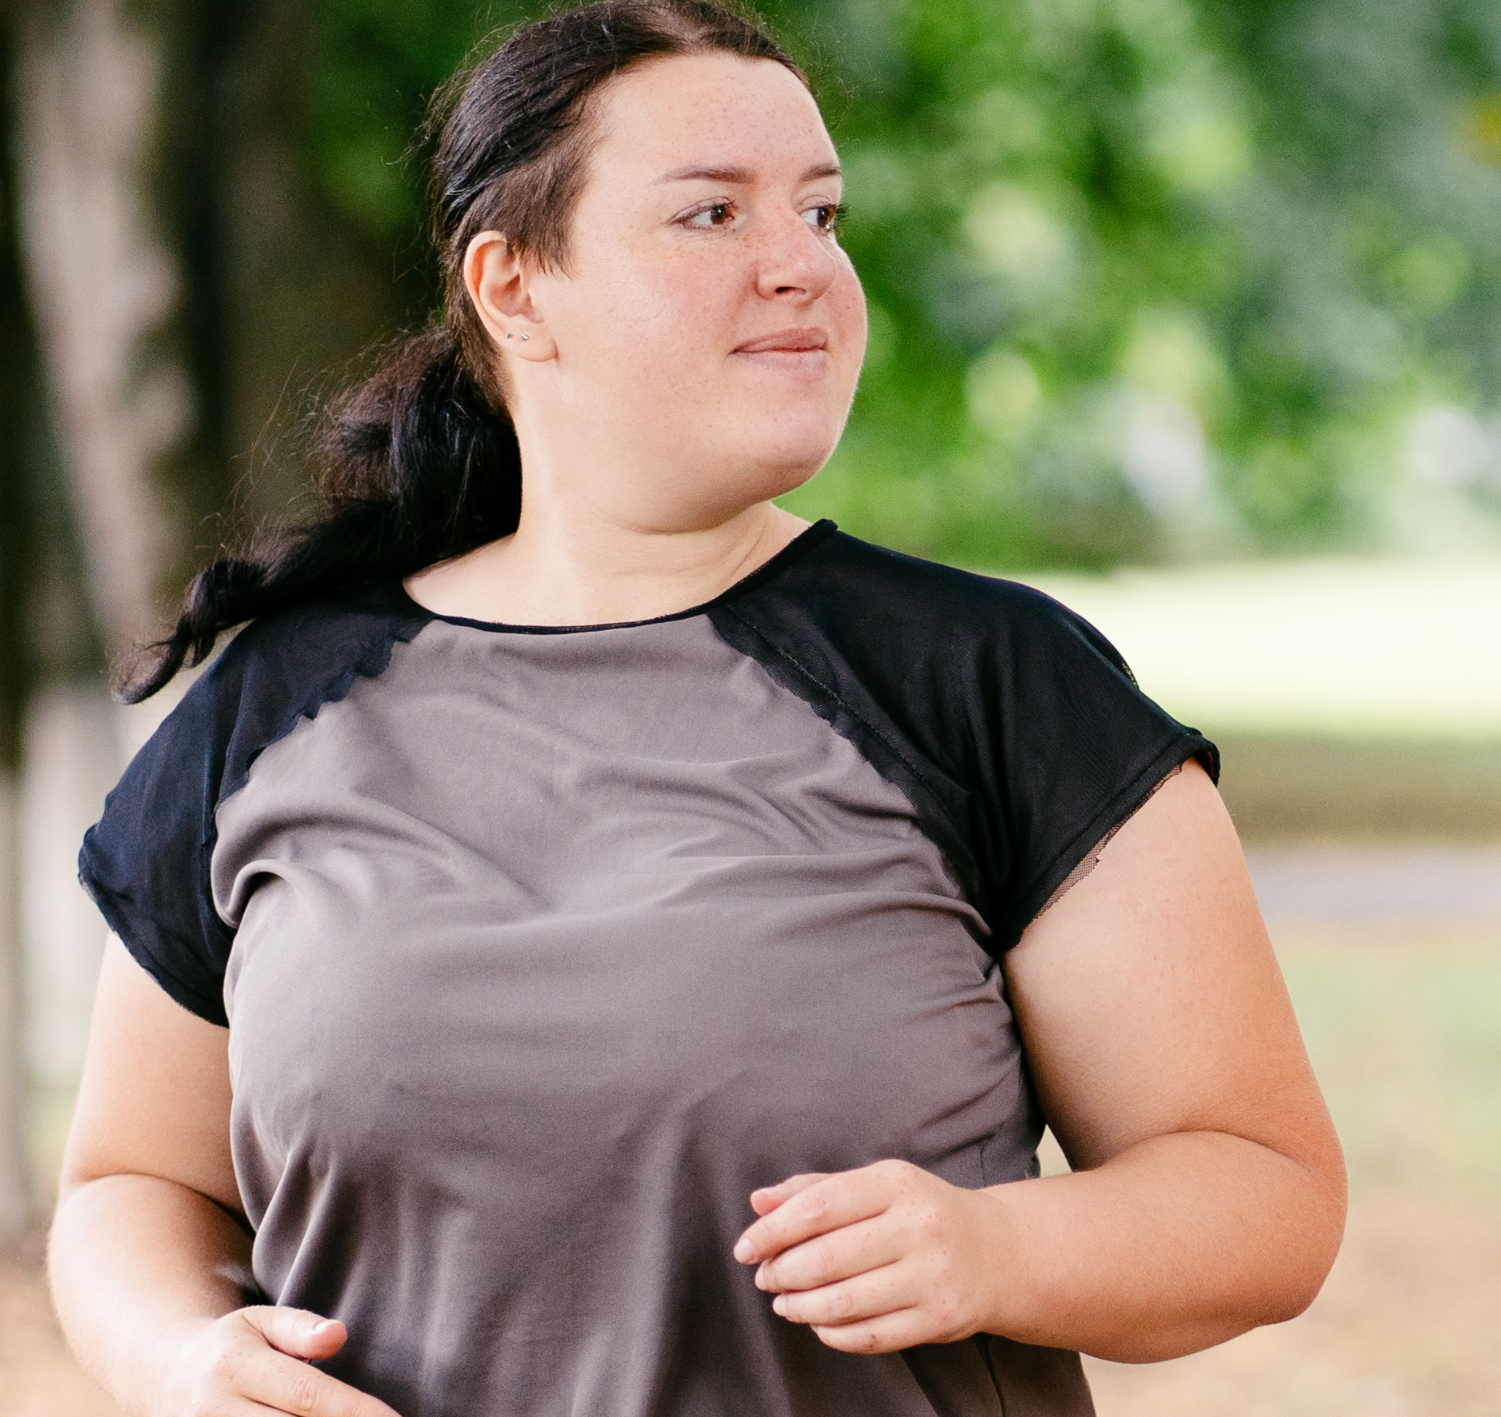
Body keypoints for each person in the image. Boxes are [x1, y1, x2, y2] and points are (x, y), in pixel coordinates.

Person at [48, 4, 1344, 1413]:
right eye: (711, 214)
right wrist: (181, 1356)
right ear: (514, 286)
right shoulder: (272, 708)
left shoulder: (990, 683)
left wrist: (997, 1245)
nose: (800, 266)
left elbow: (1261, 1197)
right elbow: (133, 1181)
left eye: (823, 214)